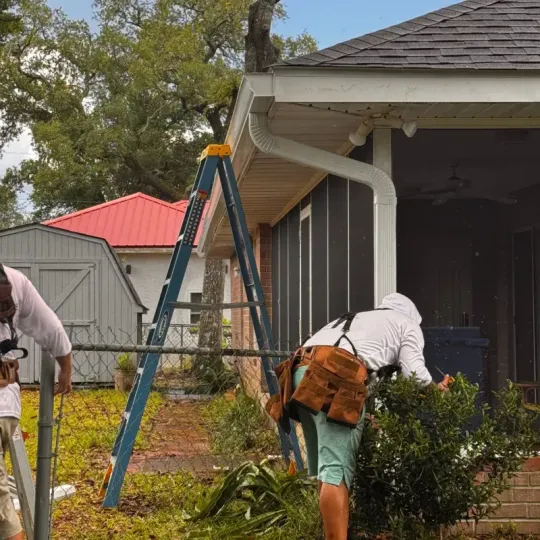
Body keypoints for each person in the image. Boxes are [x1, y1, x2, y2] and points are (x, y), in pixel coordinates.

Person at [267, 293, 450, 540]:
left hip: (299, 371)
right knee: (335, 471)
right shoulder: (407, 325)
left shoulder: (363, 319)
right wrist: (436, 390)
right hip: (333, 374)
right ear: (413, 317)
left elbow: (365, 365)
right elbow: (415, 375)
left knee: (327, 470)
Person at [0, 264, 72, 540]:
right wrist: (65, 370)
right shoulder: (13, 278)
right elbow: (52, 329)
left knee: (3, 518)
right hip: (6, 407)